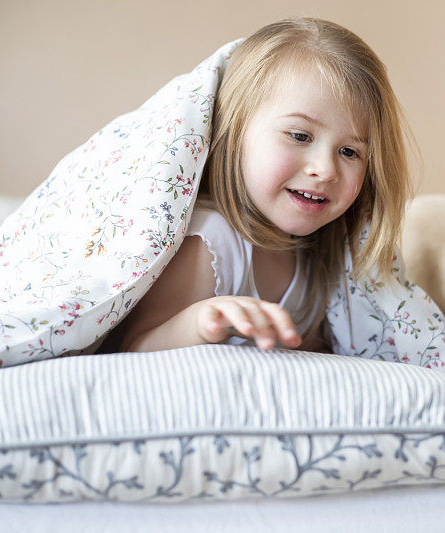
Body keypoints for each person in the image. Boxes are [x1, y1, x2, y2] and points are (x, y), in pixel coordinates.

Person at [117, 18, 415, 354]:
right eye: (299, 136)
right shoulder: (211, 242)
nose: (326, 169)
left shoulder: (319, 256)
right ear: (234, 136)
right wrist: (200, 323)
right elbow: (135, 348)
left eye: (350, 151)